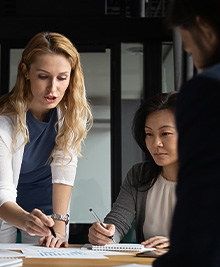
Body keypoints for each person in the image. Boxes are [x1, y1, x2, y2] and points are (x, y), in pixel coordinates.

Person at [0, 32, 93, 248]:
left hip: (49, 205)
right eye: (43, 76)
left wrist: (58, 227)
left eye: (62, 78)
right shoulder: (1, 123)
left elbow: (64, 174)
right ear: (25, 72)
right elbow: (1, 191)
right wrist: (26, 220)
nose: (53, 88)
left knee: (49, 259)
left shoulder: (72, 116)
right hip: (4, 206)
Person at [154, 0, 220, 266]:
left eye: (190, 50)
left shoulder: (207, 90)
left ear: (204, 28)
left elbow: (203, 197)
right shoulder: (139, 176)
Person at [89, 92, 178, 249]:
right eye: (149, 134)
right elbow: (118, 220)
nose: (155, 143)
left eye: (165, 133)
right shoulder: (139, 174)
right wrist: (106, 235)